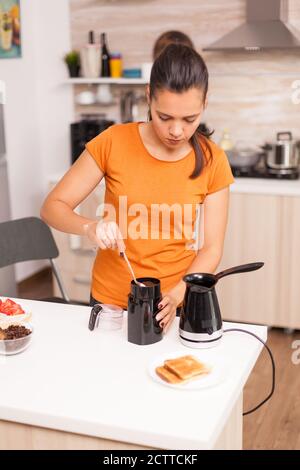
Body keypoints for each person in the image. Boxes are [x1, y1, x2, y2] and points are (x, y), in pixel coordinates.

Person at [41, 44, 234, 332]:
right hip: (110, 305)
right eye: (164, 117)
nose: (177, 131)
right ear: (148, 97)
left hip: (175, 303)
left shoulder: (212, 160)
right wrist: (89, 227)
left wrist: (178, 293)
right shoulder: (113, 142)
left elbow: (211, 249)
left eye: (190, 119)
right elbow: (52, 208)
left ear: (205, 104)